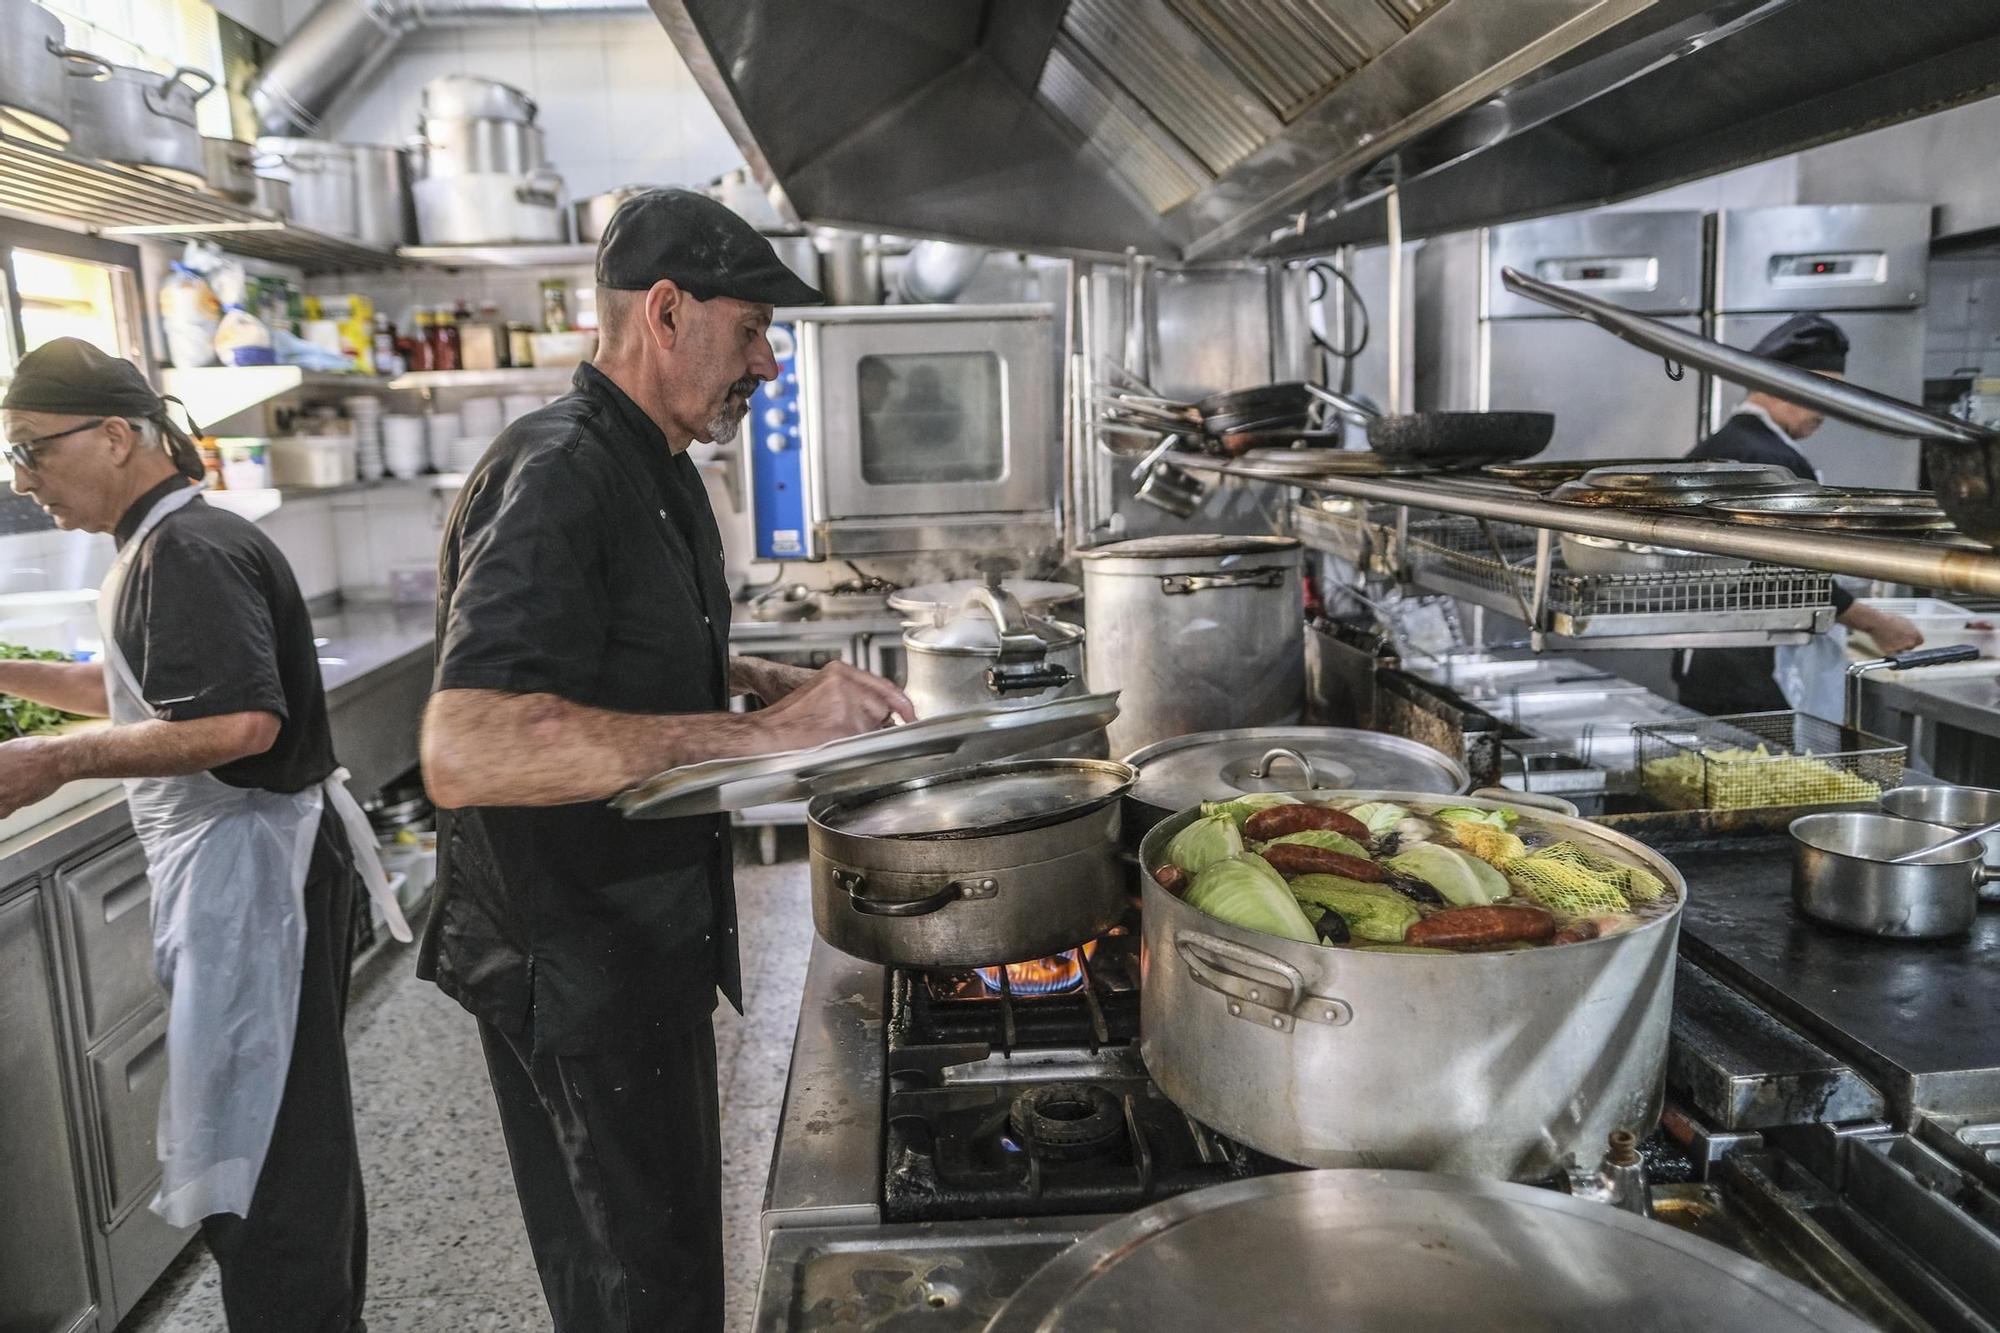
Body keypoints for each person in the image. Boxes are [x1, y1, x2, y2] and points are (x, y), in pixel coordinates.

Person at [418, 189, 913, 1333]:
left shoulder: (658, 464)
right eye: (750, 331)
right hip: (572, 962)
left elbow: (600, 652)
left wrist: (743, 682)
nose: (769, 365)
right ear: (665, 311)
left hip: (640, 945)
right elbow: (466, 742)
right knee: (635, 1291)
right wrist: (760, 737)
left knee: (674, 1262)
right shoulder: (556, 476)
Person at [0, 338, 408, 1333]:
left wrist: (54, 761)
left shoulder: (185, 550)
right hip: (249, 871)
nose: (25, 481)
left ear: (113, 436)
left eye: (30, 452)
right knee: (280, 1132)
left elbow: (241, 725)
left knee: (267, 1150)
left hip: (253, 875)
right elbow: (136, 686)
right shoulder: (165, 541)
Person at [1673, 314, 1923, 715]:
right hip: (1756, 668)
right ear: (1780, 386)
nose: (1828, 409)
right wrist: (1876, 623)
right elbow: (1791, 575)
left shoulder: (1723, 445)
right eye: (1821, 392)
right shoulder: (1773, 461)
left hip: (1709, 657)